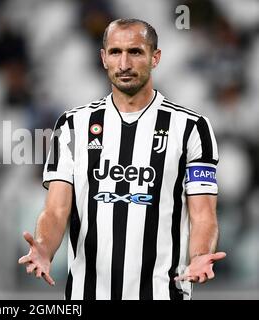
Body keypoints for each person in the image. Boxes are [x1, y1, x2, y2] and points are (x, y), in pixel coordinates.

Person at [18, 18, 226, 300]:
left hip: (162, 293)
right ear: (103, 58)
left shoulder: (191, 127)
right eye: (115, 52)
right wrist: (43, 247)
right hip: (86, 295)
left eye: (135, 52)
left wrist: (201, 255)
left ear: (156, 57)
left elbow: (203, 215)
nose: (124, 63)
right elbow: (56, 211)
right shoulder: (72, 125)